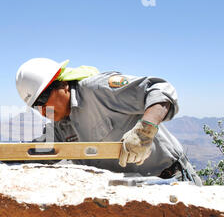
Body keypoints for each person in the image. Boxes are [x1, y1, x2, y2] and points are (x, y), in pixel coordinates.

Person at [15, 57, 202, 186]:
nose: (41, 109)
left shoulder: (99, 90)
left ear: (62, 84)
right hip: (129, 193)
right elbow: (35, 151)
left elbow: (159, 88)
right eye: (35, 106)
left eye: (42, 99)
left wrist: (145, 131)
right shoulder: (60, 127)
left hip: (169, 180)